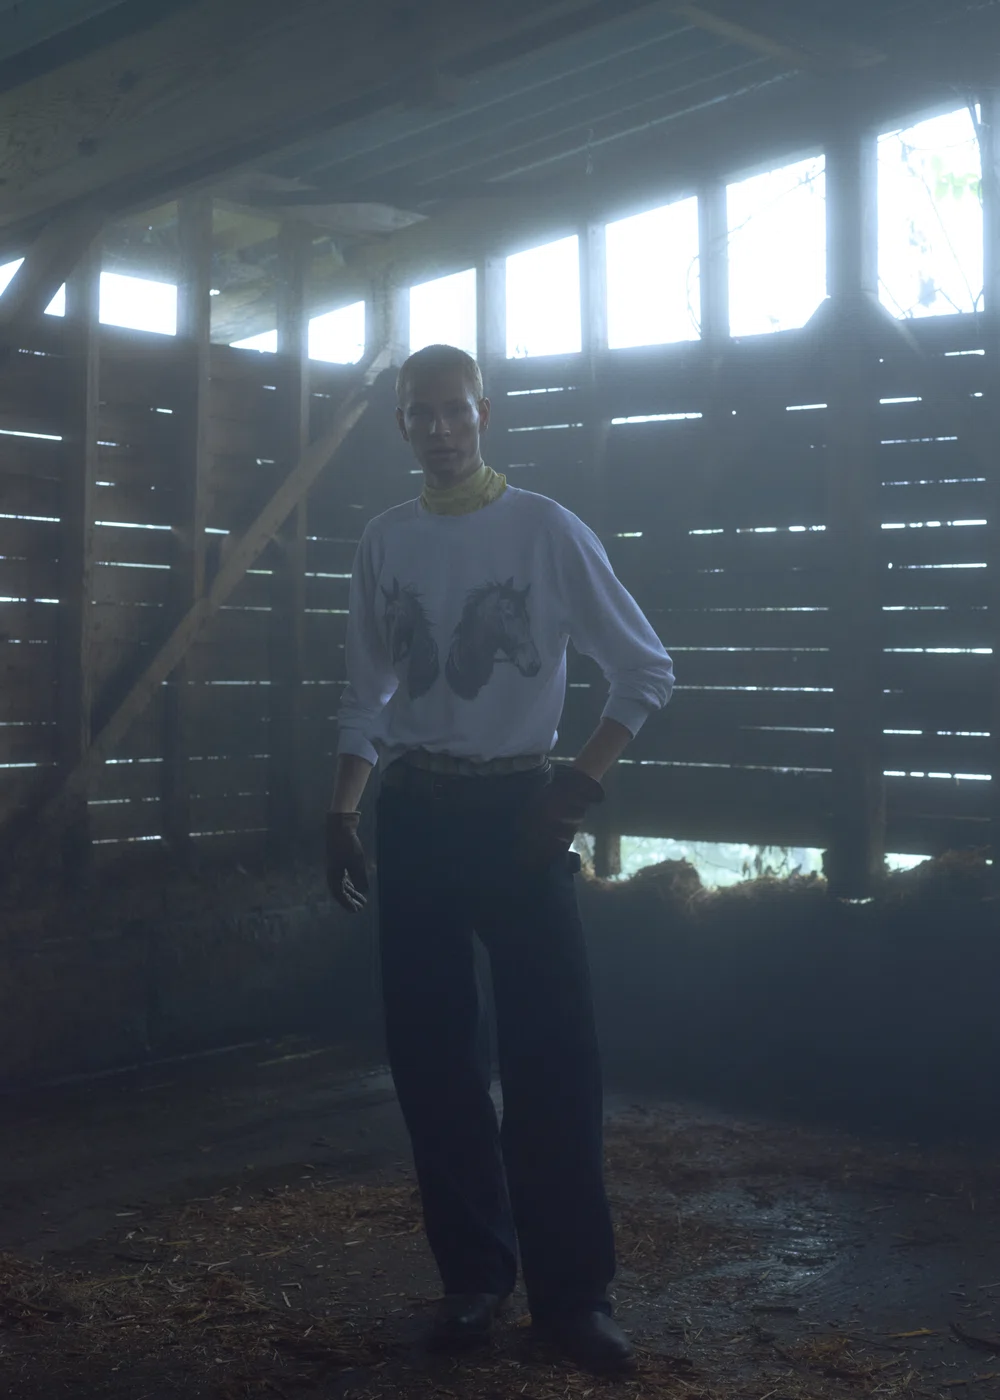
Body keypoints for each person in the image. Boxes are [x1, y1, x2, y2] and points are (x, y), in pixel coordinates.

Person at [326, 344, 674, 1376]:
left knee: (551, 1053)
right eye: (419, 413)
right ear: (400, 424)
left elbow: (644, 669)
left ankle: (573, 1297)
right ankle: (474, 1276)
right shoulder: (385, 540)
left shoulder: (545, 530)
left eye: (454, 409)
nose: (439, 428)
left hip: (521, 815)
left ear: (485, 413)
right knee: (431, 1054)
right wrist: (343, 807)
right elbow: (366, 693)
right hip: (417, 811)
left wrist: (571, 792)